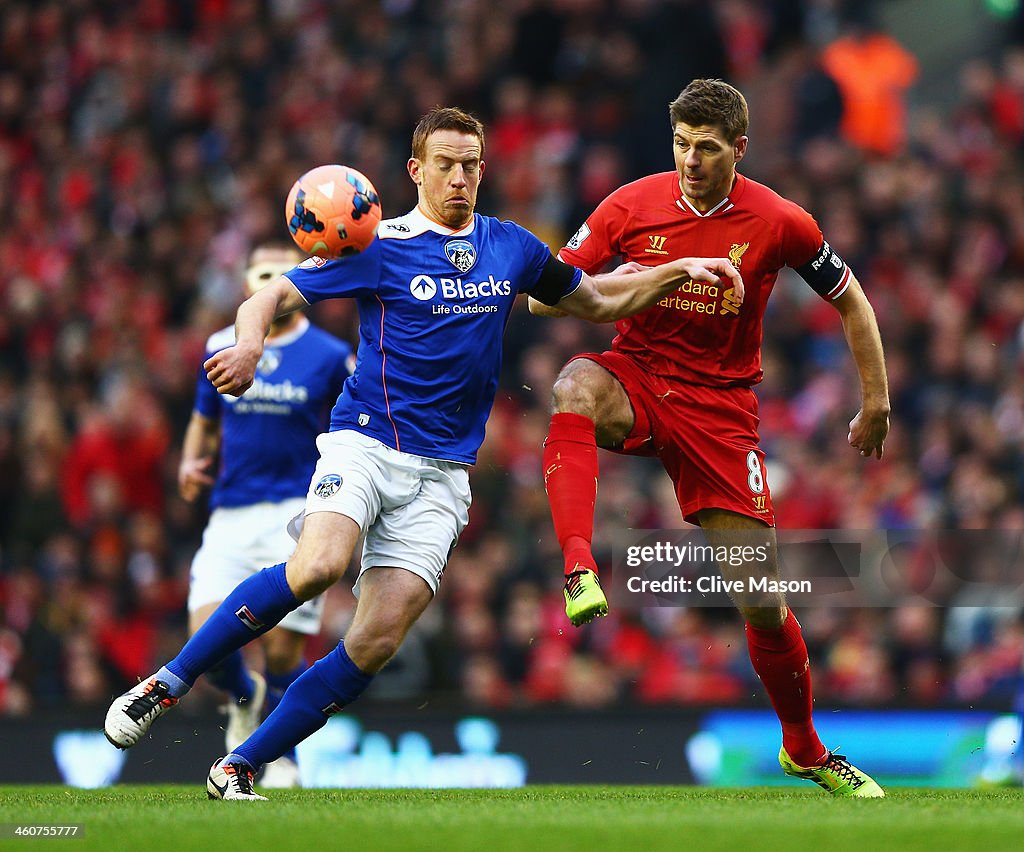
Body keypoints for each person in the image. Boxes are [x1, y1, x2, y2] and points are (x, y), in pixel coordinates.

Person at [104, 106, 743, 801]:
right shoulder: (377, 245)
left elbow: (593, 300)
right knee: (318, 565)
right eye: (445, 164)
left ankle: (242, 765)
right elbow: (276, 296)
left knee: (375, 643)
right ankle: (165, 684)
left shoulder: (513, 247)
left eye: (471, 164)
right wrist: (251, 345)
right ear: (416, 171)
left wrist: (677, 272)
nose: (460, 177)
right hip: (367, 442)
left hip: (444, 473)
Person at [533, 79, 889, 797]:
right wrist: (643, 281)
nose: (690, 160)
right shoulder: (630, 205)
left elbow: (850, 299)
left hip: (721, 410)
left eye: (706, 147)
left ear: (739, 149)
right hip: (636, 375)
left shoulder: (780, 220)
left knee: (760, 598)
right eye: (680, 144)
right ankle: (578, 567)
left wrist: (875, 402)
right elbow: (549, 295)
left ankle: (805, 750)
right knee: (573, 385)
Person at [178, 242, 352, 788]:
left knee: (282, 648)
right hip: (230, 510)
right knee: (204, 638)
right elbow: (204, 416)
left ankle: (282, 760)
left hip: (296, 509)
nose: (270, 281)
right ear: (250, 282)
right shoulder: (219, 344)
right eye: (261, 272)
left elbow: (354, 420)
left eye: (281, 273)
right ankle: (242, 696)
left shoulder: (329, 354)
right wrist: (189, 458)